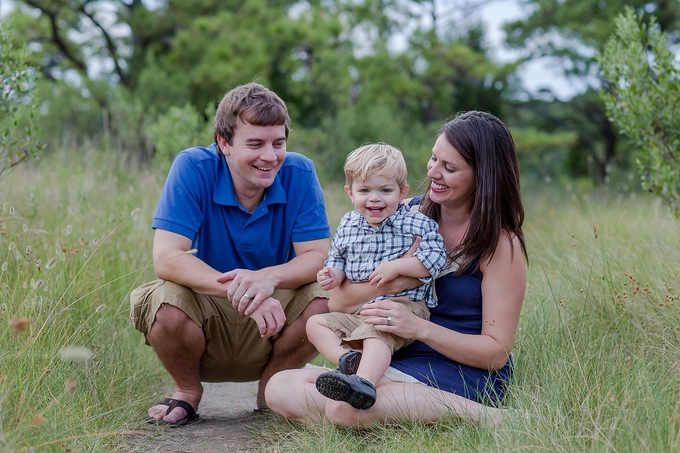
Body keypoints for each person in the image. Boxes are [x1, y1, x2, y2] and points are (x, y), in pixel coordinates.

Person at [265, 111, 528, 428]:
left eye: (450, 168)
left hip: (460, 371)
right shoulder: (402, 214)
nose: (433, 172)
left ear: (481, 176)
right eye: (433, 159)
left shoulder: (500, 244)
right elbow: (339, 303)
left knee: (343, 409)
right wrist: (392, 280)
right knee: (278, 388)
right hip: (393, 355)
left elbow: (495, 353)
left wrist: (418, 328)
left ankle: (493, 418)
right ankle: (384, 408)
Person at [130, 83, 331, 426]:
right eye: (255, 144)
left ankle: (273, 391)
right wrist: (243, 291)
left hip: (274, 319)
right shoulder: (193, 166)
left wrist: (268, 279)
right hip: (207, 312)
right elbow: (167, 257)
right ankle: (188, 391)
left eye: (278, 143)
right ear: (224, 143)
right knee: (162, 300)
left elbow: (317, 256)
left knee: (327, 296)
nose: (270, 156)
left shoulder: (300, 172)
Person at [309, 143, 447, 410]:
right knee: (316, 323)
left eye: (385, 190)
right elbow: (337, 257)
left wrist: (398, 266)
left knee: (377, 331)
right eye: (364, 190)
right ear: (350, 193)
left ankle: (365, 384)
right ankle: (349, 362)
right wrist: (332, 275)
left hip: (403, 307)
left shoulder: (416, 223)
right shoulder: (349, 224)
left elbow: (435, 259)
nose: (375, 198)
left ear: (402, 192)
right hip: (360, 310)